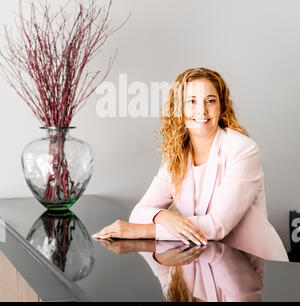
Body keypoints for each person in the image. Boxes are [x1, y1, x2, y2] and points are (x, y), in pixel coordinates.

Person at [92, 67, 288, 261]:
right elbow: (139, 213)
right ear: (179, 108)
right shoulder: (176, 155)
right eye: (191, 101)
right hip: (208, 263)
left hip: (254, 266)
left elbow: (217, 226)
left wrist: (140, 231)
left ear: (221, 106)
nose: (201, 110)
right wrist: (164, 216)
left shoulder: (242, 150)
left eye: (210, 101)